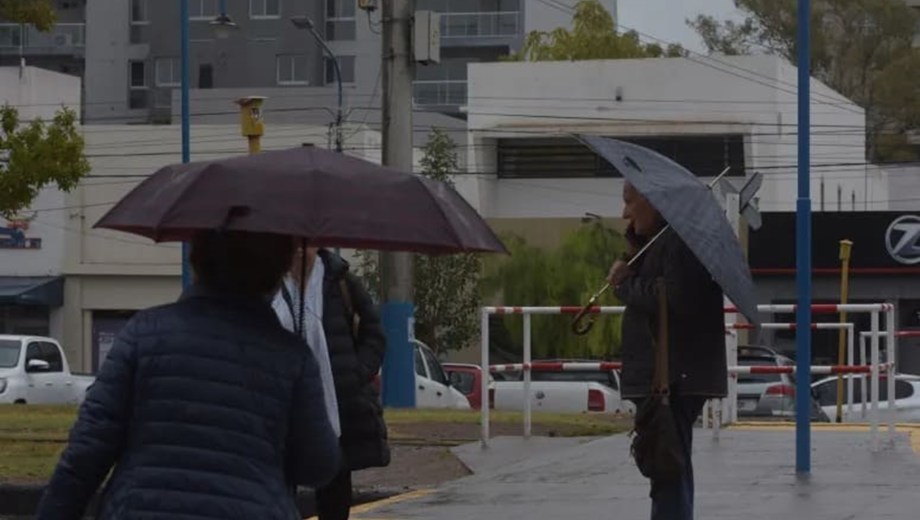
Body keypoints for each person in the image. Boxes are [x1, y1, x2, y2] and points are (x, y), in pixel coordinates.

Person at [36, 230, 341, 520]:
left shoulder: (143, 334)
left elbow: (87, 451)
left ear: (196, 260)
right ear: (277, 272)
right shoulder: (291, 357)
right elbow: (318, 467)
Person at [607, 182, 727, 520]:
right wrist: (635, 247)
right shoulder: (659, 243)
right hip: (667, 375)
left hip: (673, 378)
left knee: (668, 466)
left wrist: (625, 284)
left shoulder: (679, 243)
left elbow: (674, 298)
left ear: (656, 201)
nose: (624, 213)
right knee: (667, 467)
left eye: (630, 202)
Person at [273, 245, 389, 520]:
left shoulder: (340, 280)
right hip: (282, 401)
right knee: (280, 478)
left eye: (307, 244)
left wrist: (355, 373)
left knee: (334, 482)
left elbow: (374, 334)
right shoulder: (269, 281)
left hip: (336, 402)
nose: (300, 251)